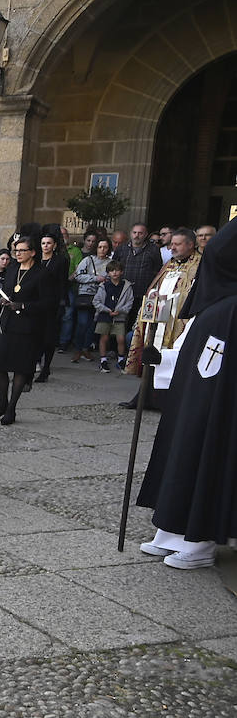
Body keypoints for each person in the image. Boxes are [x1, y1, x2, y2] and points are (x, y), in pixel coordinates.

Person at [135, 217, 237, 570]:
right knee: (180, 456)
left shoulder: (232, 307)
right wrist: (160, 359)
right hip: (192, 398)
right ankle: (171, 532)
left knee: (203, 459)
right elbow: (192, 349)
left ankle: (200, 541)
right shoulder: (215, 304)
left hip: (216, 406)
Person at [121, 228, 202, 410]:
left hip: (179, 323)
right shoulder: (170, 264)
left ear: (190, 245)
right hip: (159, 321)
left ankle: (168, 401)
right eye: (172, 243)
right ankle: (145, 397)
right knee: (153, 355)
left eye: (177, 244)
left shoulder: (199, 265)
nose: (172, 247)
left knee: (171, 359)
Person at [0, 236, 51, 426]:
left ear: (32, 252)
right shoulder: (13, 268)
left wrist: (22, 306)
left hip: (26, 327)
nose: (18, 254)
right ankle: (2, 404)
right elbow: (9, 290)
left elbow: (47, 303)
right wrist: (3, 299)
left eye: (22, 250)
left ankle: (11, 408)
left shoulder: (41, 273)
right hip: (5, 324)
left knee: (21, 368)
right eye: (16, 251)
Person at [36, 225, 72, 382]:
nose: (45, 246)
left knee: (49, 337)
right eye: (43, 243)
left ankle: (46, 368)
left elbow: (62, 282)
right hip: (35, 301)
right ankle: (34, 362)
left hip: (52, 302)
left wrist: (62, 301)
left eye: (49, 243)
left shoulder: (60, 261)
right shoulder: (35, 259)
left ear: (55, 245)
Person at [70, 235, 110, 362]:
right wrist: (95, 278)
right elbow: (78, 276)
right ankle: (78, 349)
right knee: (82, 323)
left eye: (105, 247)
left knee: (92, 324)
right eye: (100, 247)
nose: (102, 249)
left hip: (100, 297)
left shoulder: (110, 263)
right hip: (85, 296)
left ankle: (86, 349)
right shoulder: (88, 260)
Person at [115, 222, 163, 327]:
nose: (136, 235)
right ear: (131, 233)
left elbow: (157, 270)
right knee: (119, 324)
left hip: (142, 294)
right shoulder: (121, 249)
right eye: (134, 232)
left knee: (137, 324)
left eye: (140, 233)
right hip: (123, 293)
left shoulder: (153, 249)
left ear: (146, 235)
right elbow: (114, 268)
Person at [93, 260, 132, 372]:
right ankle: (103, 360)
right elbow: (96, 301)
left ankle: (120, 359)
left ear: (122, 272)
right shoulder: (104, 286)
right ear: (108, 273)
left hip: (119, 316)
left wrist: (120, 311)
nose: (114, 273)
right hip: (105, 315)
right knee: (104, 337)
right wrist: (106, 310)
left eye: (117, 270)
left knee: (121, 338)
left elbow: (129, 302)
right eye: (111, 271)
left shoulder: (126, 286)